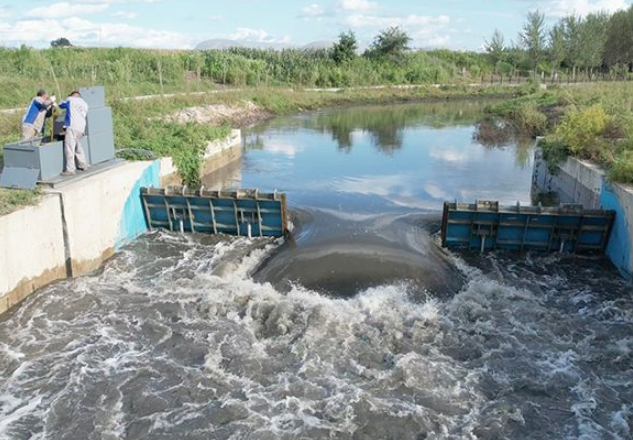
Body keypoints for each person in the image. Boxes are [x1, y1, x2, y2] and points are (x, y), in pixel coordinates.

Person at [59, 91, 89, 175]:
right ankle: (83, 165)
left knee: (69, 148)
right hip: (81, 127)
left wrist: (62, 99)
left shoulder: (70, 99)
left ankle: (70, 169)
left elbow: (61, 105)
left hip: (72, 126)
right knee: (78, 146)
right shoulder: (85, 103)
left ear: (72, 95)